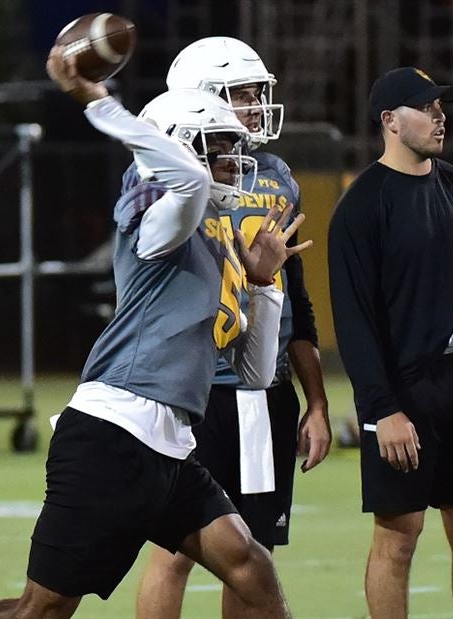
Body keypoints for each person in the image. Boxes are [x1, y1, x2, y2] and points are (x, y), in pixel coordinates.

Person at [0, 46, 310, 619]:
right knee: (43, 611)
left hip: (172, 448)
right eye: (218, 150)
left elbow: (252, 371)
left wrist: (266, 285)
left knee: (252, 566)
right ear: (180, 148)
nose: (231, 163)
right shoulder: (159, 220)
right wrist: (98, 101)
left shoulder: (214, 239)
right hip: (111, 437)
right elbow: (187, 182)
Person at [130, 37, 332, 619]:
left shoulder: (276, 177)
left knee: (252, 554)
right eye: (239, 94)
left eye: (254, 94)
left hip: (261, 387)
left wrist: (314, 402)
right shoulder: (168, 180)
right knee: (174, 551)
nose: (252, 106)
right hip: (193, 388)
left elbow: (296, 301)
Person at [327, 67, 453, 619]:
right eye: (426, 107)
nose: (440, 115)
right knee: (399, 537)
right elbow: (354, 320)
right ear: (390, 121)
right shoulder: (363, 205)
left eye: (442, 106)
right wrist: (382, 408)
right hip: (401, 390)